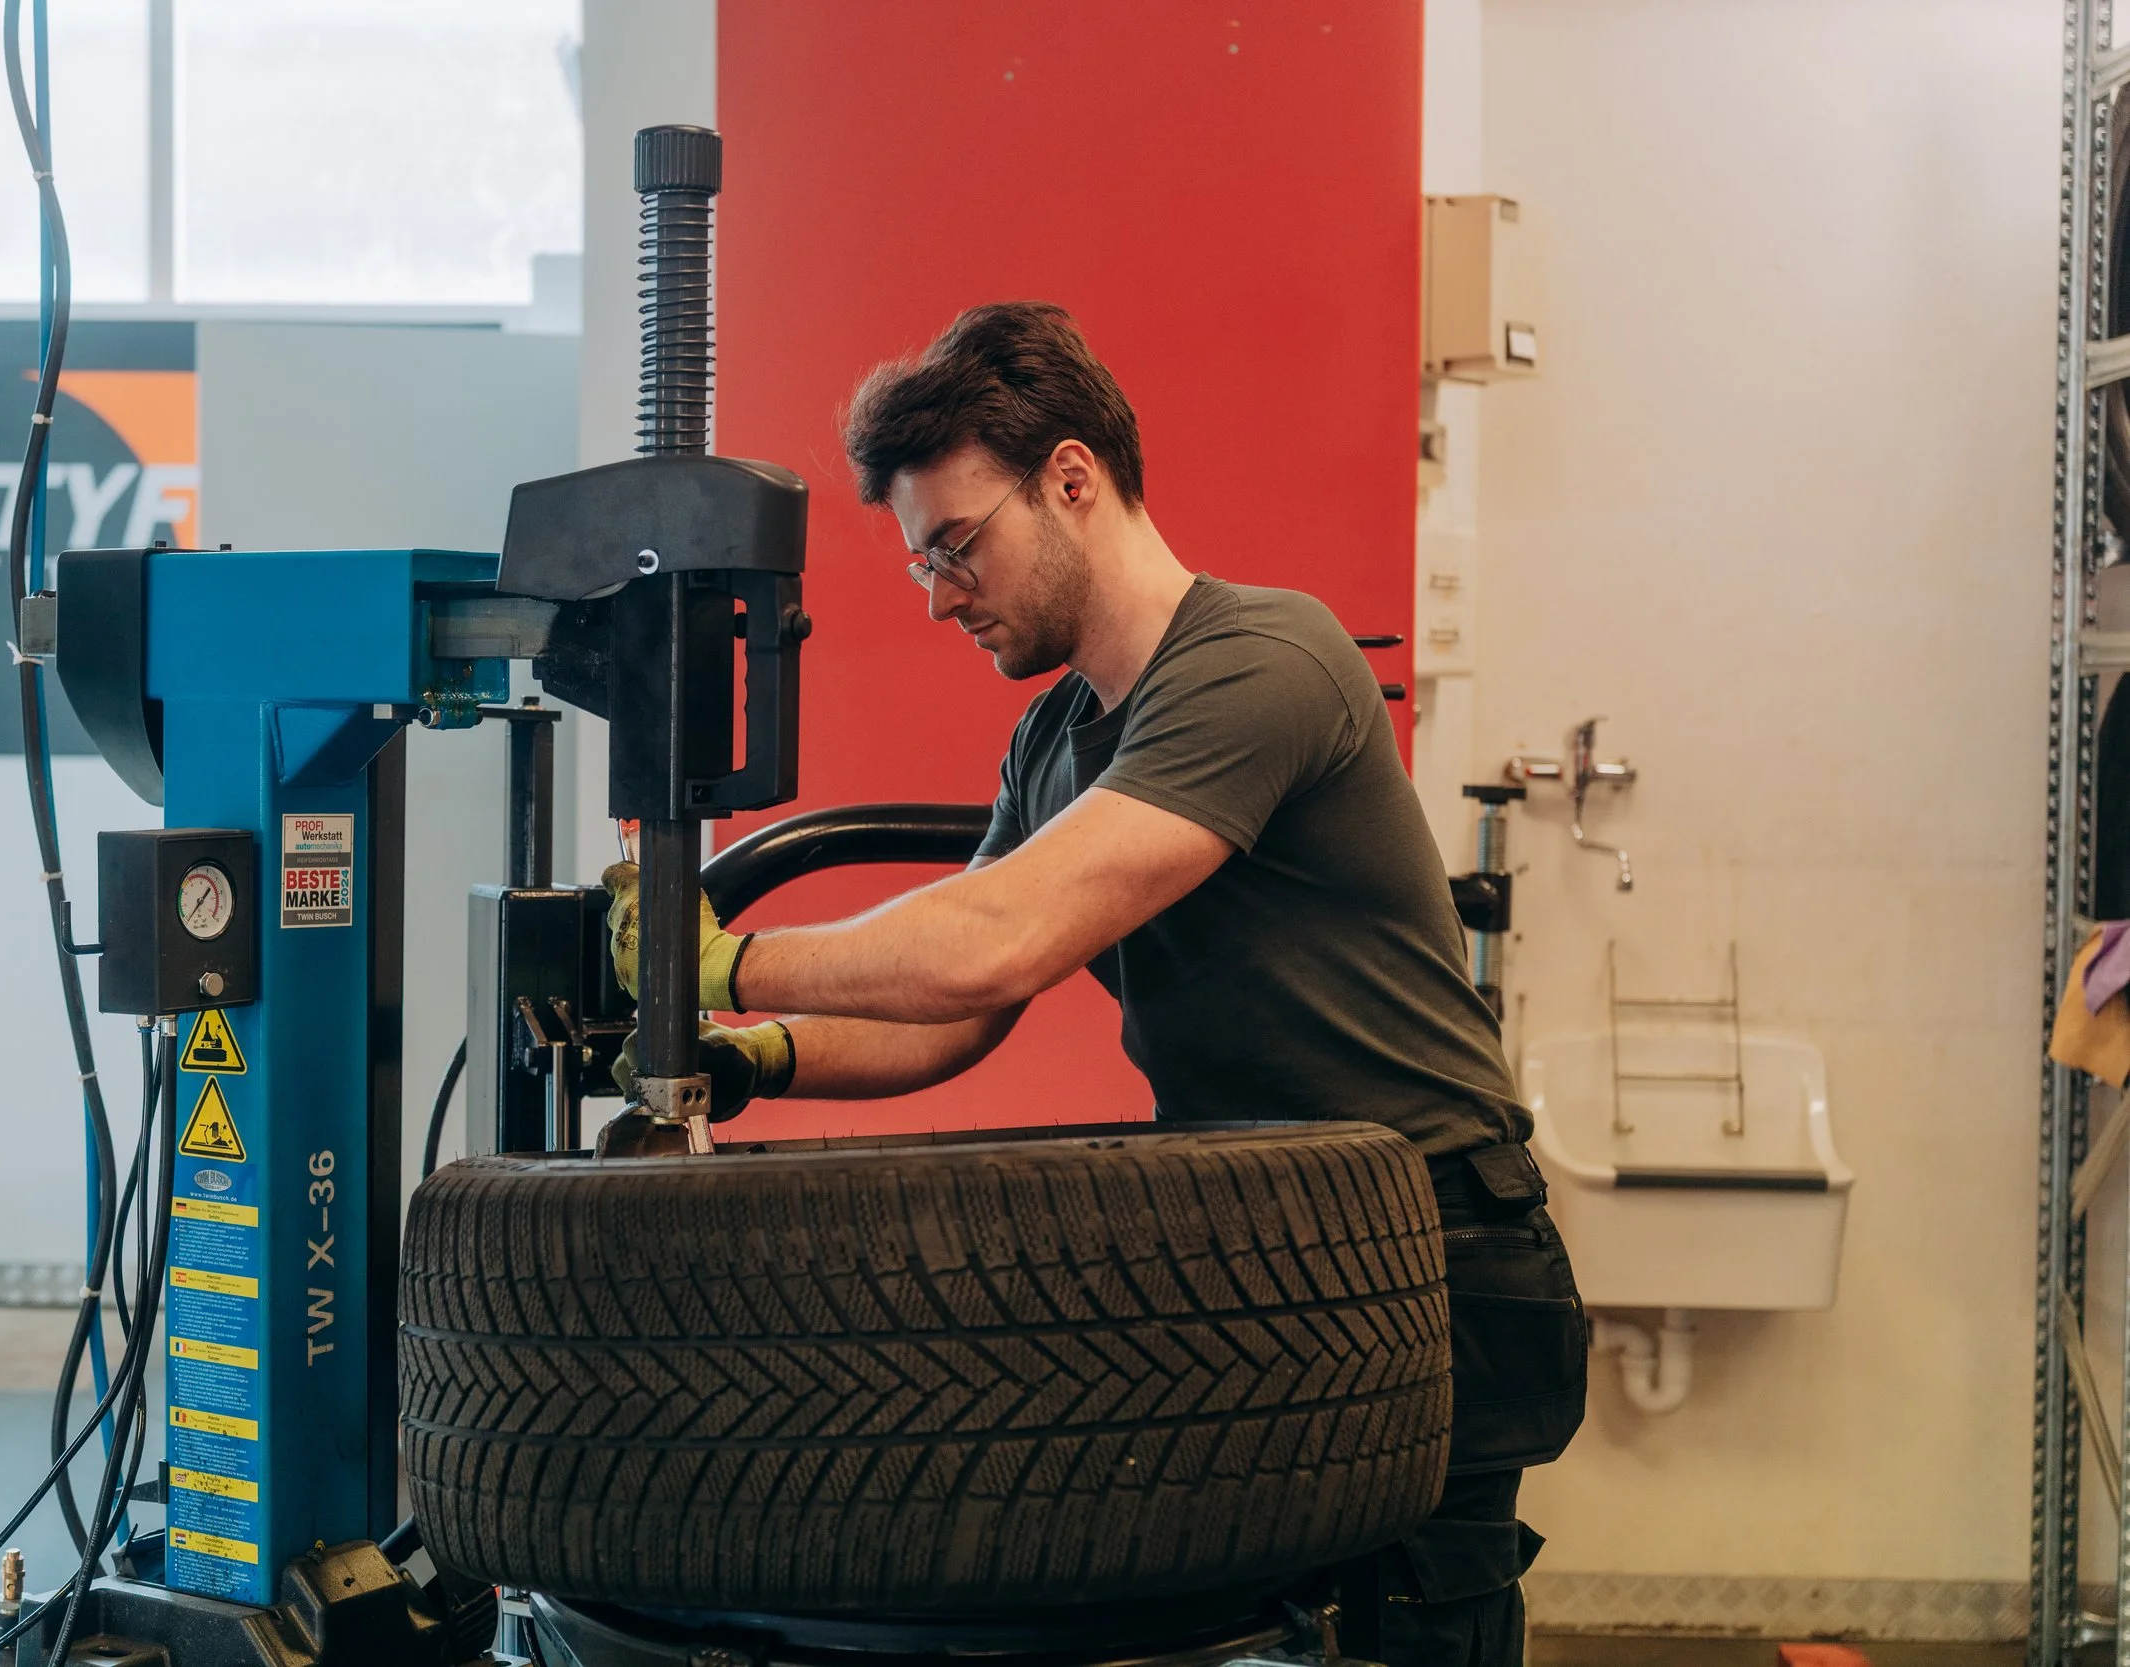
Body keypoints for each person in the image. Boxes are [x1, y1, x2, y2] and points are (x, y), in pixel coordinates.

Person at [603, 301, 1585, 1666]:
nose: (941, 595)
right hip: (1273, 1234)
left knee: (1395, 1628)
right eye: (923, 563)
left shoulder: (1265, 660)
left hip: (1432, 1240)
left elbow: (997, 939)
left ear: (1071, 478)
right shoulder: (1055, 737)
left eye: (957, 544)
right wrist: (749, 1052)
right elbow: (956, 1017)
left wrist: (712, 960)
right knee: (1258, 1628)